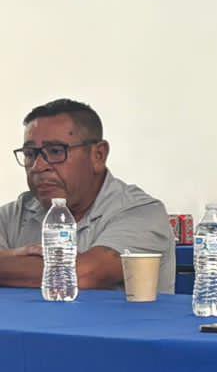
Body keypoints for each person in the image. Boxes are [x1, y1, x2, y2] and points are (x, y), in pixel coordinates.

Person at [0, 98, 176, 292]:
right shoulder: (13, 216)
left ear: (98, 155)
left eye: (56, 151)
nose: (38, 166)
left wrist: (10, 259)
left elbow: (83, 274)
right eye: (30, 153)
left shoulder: (141, 213)